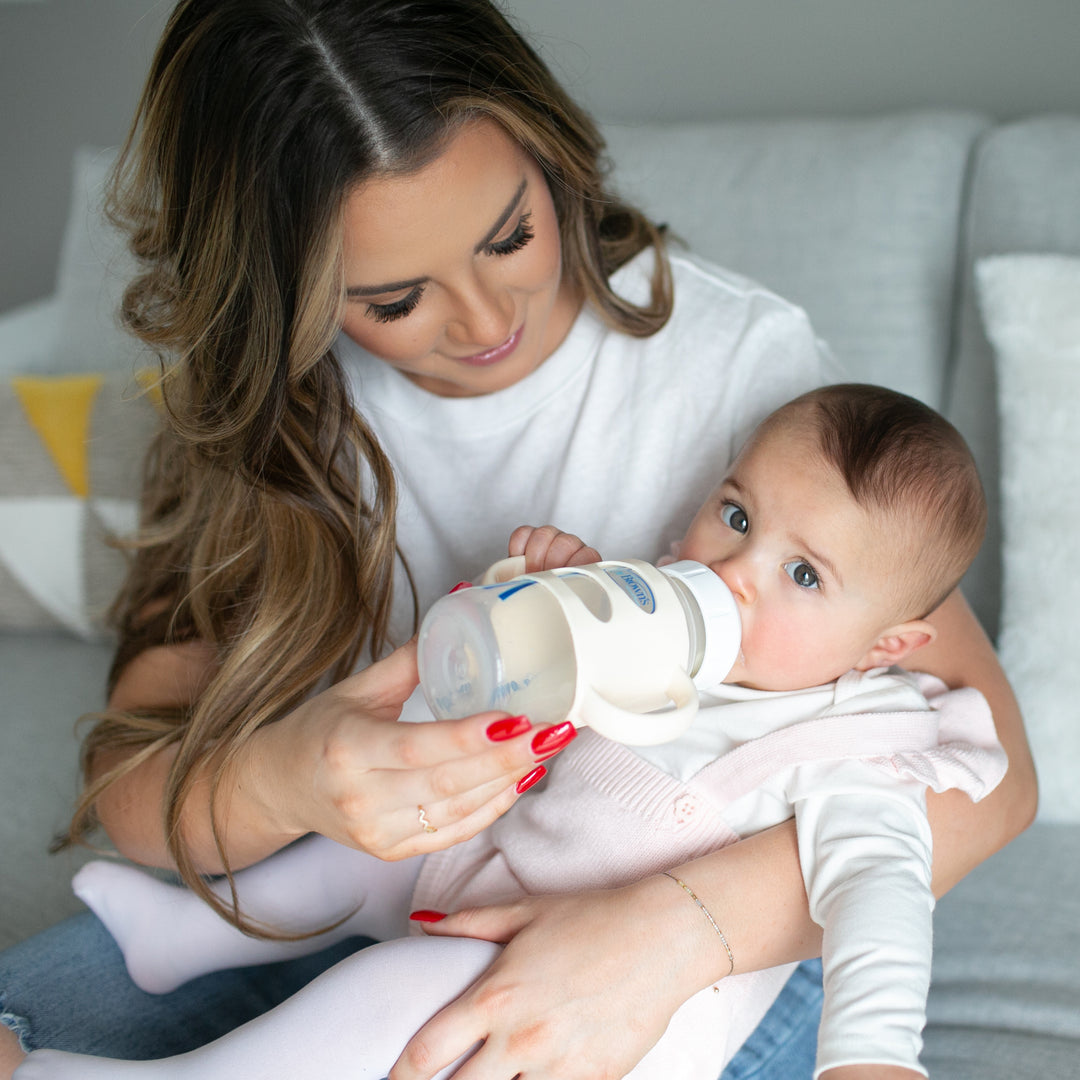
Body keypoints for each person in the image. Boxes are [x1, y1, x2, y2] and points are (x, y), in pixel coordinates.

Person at [0, 2, 1035, 1079]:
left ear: (551, 154)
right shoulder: (280, 420)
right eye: (394, 298)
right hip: (422, 865)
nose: (486, 317)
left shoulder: (735, 370)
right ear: (283, 297)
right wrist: (286, 782)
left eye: (511, 235)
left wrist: (674, 932)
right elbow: (133, 787)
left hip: (710, 915)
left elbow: (987, 775)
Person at [18, 384, 1007, 1080]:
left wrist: (874, 1054)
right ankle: (185, 933)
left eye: (804, 575)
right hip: (488, 874)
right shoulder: (675, 630)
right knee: (373, 850)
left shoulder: (854, 753)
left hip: (576, 999)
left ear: (887, 645)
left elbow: (883, 903)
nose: (736, 571)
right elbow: (528, 695)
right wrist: (547, 594)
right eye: (737, 513)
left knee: (403, 993)